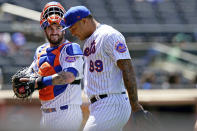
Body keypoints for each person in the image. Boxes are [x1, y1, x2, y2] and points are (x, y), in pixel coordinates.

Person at [62, 6, 148, 131]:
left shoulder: (108, 35)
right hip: (100, 104)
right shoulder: (89, 41)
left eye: (73, 28)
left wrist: (135, 105)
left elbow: (127, 67)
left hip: (111, 102)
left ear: (84, 21)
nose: (73, 33)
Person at [20, 2, 83, 130]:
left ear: (64, 28)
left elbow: (69, 76)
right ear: (45, 29)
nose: (55, 32)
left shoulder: (70, 48)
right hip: (46, 114)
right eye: (50, 28)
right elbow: (31, 75)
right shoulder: (40, 51)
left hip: (67, 113)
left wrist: (39, 82)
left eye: (58, 27)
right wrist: (24, 83)